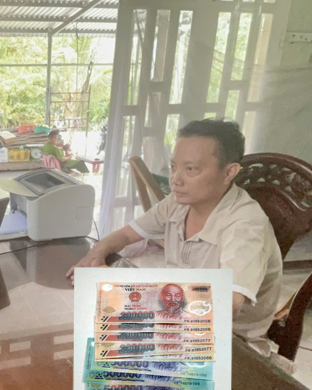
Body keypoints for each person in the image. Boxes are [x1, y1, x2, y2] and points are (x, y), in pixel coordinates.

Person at [66, 119, 282, 356]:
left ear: (228, 172)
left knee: (101, 357)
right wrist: (95, 255)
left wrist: (124, 289)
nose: (175, 180)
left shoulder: (246, 225)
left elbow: (228, 304)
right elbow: (126, 234)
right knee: (84, 338)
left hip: (228, 344)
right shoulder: (178, 203)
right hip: (174, 323)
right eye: (173, 167)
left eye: (190, 169)